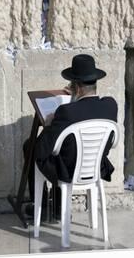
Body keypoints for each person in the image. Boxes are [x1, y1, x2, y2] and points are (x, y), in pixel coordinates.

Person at [24, 54, 118, 219]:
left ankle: (43, 205)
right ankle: (60, 208)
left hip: (68, 172)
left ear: (78, 88)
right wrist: (76, 99)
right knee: (65, 149)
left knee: (30, 146)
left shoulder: (66, 112)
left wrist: (49, 123)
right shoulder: (110, 106)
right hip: (95, 168)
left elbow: (41, 150)